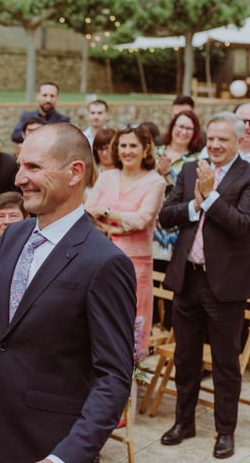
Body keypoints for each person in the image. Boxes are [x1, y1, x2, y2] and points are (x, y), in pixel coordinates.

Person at [0, 123, 137, 463]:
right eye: (20, 165)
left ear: (74, 172)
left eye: (34, 167)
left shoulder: (105, 263)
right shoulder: (15, 237)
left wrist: (65, 457)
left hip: (49, 446)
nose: (19, 178)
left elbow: (113, 378)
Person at [158, 112, 250, 459]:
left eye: (222, 140)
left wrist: (211, 197)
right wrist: (195, 205)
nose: (214, 145)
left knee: (226, 363)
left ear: (239, 140)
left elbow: (242, 225)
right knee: (186, 357)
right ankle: (184, 422)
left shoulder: (248, 175)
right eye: (211, 138)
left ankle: (225, 430)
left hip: (224, 285)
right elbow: (167, 216)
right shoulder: (189, 170)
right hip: (188, 278)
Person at [86, 126, 165, 360]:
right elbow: (88, 211)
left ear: (146, 149)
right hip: (98, 258)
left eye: (133, 146)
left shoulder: (155, 182)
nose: (127, 151)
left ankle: (129, 383)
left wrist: (107, 212)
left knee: (131, 323)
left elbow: (141, 219)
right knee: (99, 317)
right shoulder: (107, 176)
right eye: (123, 146)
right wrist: (119, 223)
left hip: (135, 265)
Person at [152, 111, 203, 327]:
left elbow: (191, 195)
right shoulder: (156, 152)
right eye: (179, 126)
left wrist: (167, 175)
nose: (183, 132)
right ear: (172, 127)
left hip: (179, 229)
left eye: (189, 128)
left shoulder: (197, 159)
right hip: (153, 224)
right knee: (151, 279)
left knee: (172, 280)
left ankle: (168, 327)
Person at [0, 191, 28, 261]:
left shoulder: (36, 247)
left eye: (13, 216)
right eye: (1, 216)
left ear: (27, 218)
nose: (7, 221)